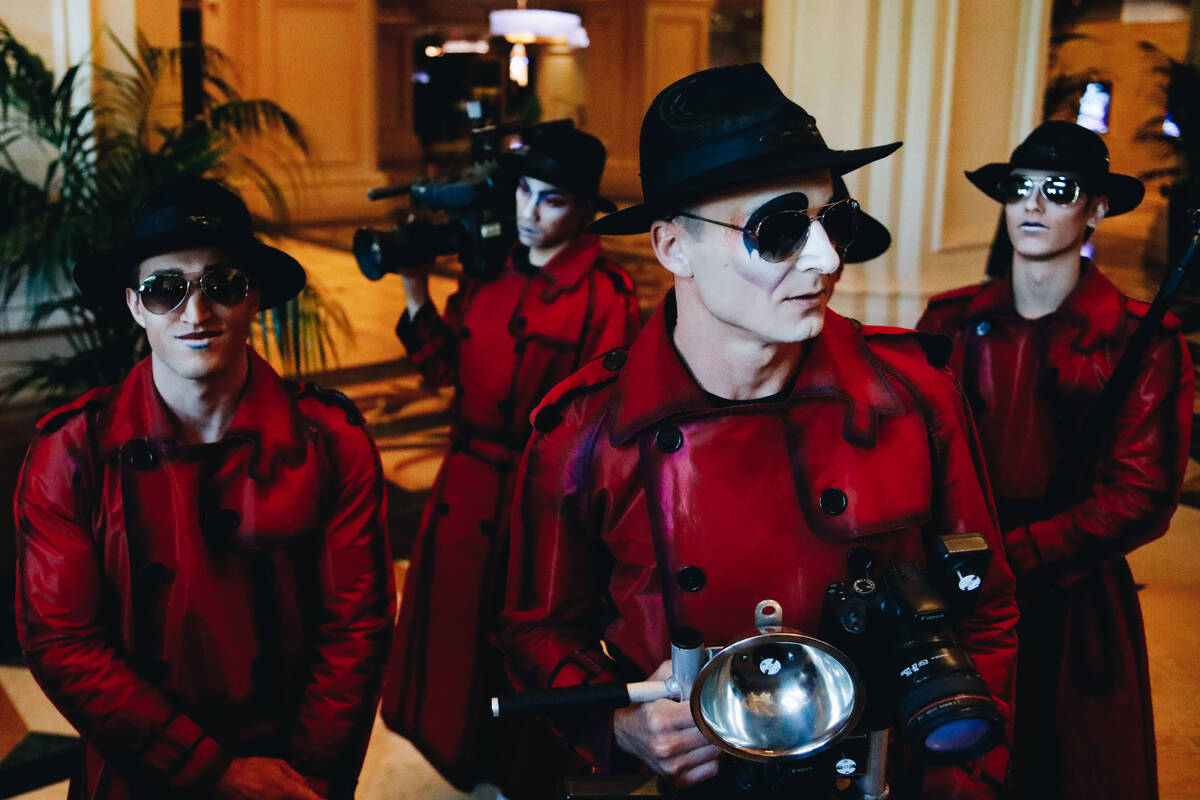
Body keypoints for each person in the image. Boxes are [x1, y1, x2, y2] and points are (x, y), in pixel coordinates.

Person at [500, 63, 1019, 798]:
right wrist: (617, 722)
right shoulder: (586, 433)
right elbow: (536, 629)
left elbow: (987, 607)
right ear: (673, 247)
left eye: (833, 220)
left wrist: (960, 779)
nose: (827, 258)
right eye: (778, 230)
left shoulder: (914, 398)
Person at [14, 176, 395, 800]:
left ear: (254, 299)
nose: (196, 313)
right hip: (138, 772)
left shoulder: (332, 441)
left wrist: (311, 778)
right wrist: (210, 773)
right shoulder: (72, 451)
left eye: (223, 285)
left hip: (291, 774)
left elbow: (356, 628)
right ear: (135, 305)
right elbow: (63, 641)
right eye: (165, 289)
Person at [917, 121, 1194, 800]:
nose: (1032, 205)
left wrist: (1012, 561)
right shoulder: (947, 324)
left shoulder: (1142, 341)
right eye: (1019, 188)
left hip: (1074, 595)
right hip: (957, 585)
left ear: (1096, 208)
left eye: (1058, 190)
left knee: (1067, 765)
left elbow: (1140, 498)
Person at [380, 123, 640, 794]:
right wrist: (414, 292)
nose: (528, 212)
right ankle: (465, 763)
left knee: (525, 644)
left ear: (585, 211)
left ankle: (520, 775)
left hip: (540, 503)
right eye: (524, 191)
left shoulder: (603, 294)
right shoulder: (489, 271)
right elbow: (442, 368)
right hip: (463, 492)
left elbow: (603, 421)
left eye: (551, 200)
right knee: (455, 639)